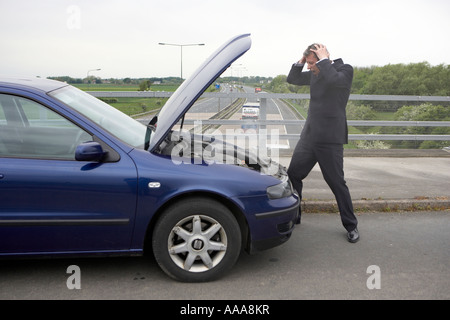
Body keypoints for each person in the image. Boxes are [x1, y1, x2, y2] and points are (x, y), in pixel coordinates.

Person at [286, 43, 359, 243]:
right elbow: (292, 78)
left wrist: (324, 60)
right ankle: (295, 216)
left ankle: (351, 226)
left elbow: (334, 79)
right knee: (293, 175)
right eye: (307, 63)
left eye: (311, 63)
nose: (309, 67)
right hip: (309, 138)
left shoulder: (344, 70)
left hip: (330, 140)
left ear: (323, 58)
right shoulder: (316, 73)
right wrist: (301, 61)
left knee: (337, 183)